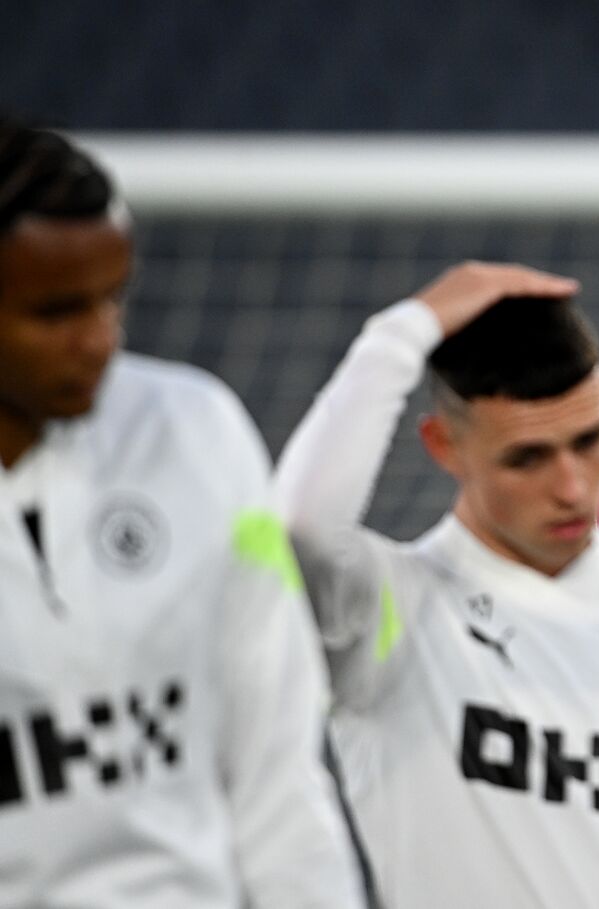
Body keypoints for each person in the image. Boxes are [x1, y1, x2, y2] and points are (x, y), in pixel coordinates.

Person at [273, 260, 599, 907]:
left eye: (586, 440)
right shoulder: (390, 612)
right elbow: (297, 531)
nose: (571, 487)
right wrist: (400, 334)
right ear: (444, 444)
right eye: (527, 458)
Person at [0, 120, 363, 906]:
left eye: (113, 298)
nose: (101, 339)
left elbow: (277, 758)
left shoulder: (198, 427)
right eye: (58, 311)